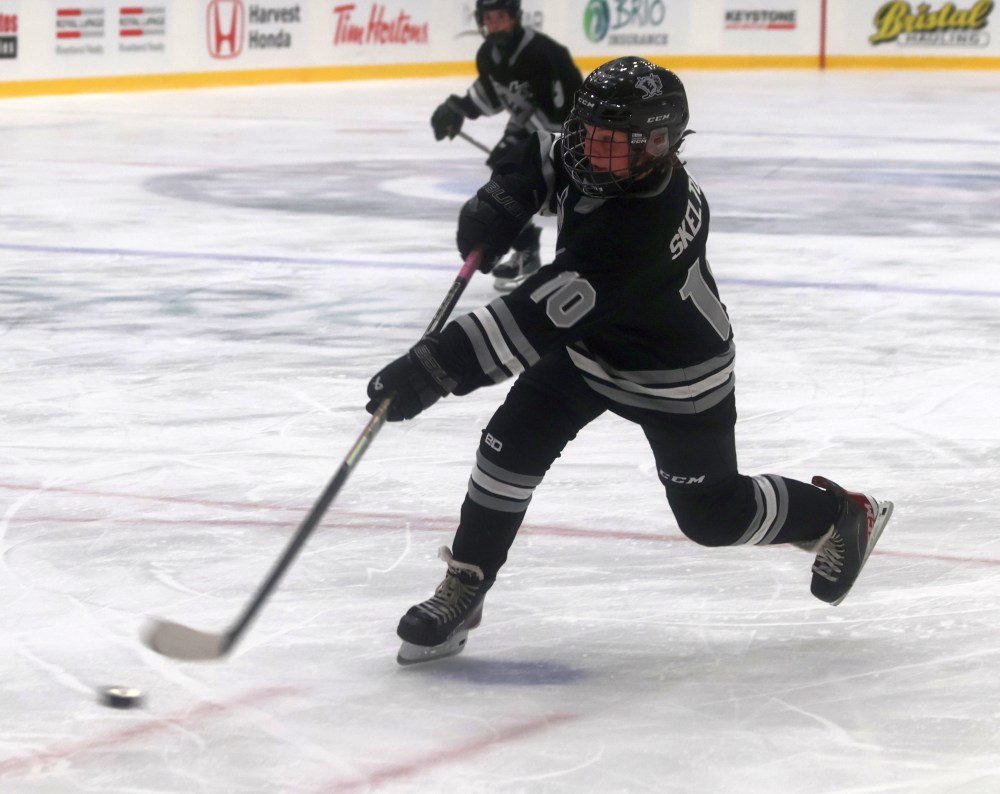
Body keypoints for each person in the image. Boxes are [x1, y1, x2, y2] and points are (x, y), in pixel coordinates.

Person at [368, 56, 894, 665]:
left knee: (712, 517)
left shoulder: (641, 227)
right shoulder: (596, 158)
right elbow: (544, 150)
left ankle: (839, 515)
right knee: (507, 447)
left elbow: (529, 319)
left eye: (613, 145)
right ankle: (468, 581)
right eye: (590, 135)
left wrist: (433, 367)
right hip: (591, 347)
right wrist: (502, 197)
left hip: (675, 375)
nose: (593, 154)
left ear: (661, 145)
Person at [430, 0, 582, 292]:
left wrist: (529, 151)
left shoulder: (542, 54)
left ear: (515, 18)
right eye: (490, 19)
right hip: (529, 127)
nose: (496, 25)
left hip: (568, 130)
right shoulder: (489, 54)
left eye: (502, 17)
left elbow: (563, 112)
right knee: (503, 178)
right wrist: (456, 109)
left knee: (568, 196)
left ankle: (576, 261)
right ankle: (527, 252)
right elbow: (490, 96)